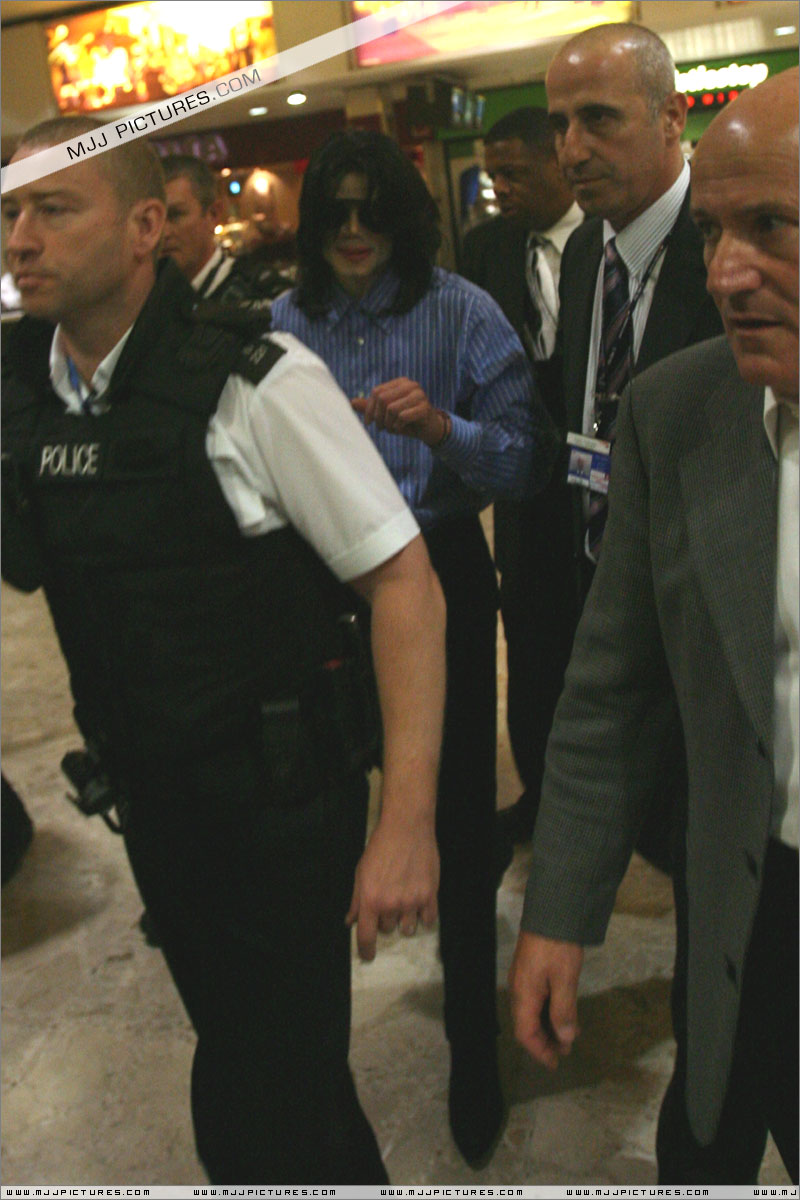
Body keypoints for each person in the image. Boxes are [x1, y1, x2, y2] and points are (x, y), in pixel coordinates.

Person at [1, 116, 447, 1185]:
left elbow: (404, 584)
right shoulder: (24, 388)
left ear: (145, 226)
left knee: (259, 1104)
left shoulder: (257, 379)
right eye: (10, 212)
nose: (20, 239)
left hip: (280, 806)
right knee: (278, 1073)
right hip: (153, 799)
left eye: (53, 208)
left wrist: (405, 824)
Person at [509, 68, 798, 1185]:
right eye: (715, 231)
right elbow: (610, 687)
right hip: (749, 901)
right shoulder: (678, 412)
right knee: (709, 1131)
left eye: (771, 227)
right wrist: (560, 910)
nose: (725, 273)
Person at [271, 128, 559, 1167]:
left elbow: (526, 465)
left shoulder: (460, 311)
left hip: (438, 567)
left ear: (401, 214)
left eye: (372, 210)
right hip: (316, 585)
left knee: (459, 822)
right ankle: (311, 1073)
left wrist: (440, 430)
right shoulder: (283, 324)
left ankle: (472, 1048)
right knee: (316, 817)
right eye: (336, 213)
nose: (355, 232)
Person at [548, 21, 723, 873]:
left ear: (670, 118)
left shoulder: (728, 243)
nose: (572, 149)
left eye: (598, 119)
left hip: (711, 611)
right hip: (610, 591)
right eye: (560, 124)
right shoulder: (587, 252)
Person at [461, 106, 583, 857]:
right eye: (492, 174)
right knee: (533, 652)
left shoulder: (608, 240)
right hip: (525, 490)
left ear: (558, 162)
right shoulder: (485, 250)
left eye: (514, 172)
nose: (499, 187)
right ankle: (541, 796)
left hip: (607, 480)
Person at [161, 154, 287, 304]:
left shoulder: (263, 295)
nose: (163, 232)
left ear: (213, 215)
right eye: (153, 220)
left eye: (175, 215)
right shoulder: (147, 300)